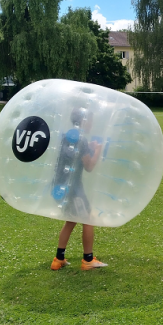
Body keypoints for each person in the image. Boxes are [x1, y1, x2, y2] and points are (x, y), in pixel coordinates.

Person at [51, 107, 108, 270]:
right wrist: (97, 151)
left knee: (71, 219)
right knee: (88, 219)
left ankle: (58, 259)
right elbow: (89, 166)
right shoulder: (81, 139)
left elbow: (72, 155)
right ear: (83, 120)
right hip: (73, 189)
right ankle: (88, 260)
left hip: (60, 186)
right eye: (90, 120)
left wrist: (87, 148)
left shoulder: (66, 136)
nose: (91, 124)